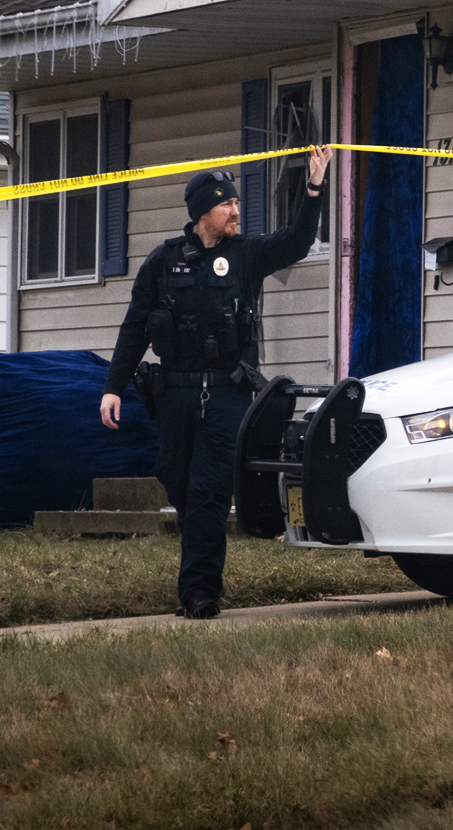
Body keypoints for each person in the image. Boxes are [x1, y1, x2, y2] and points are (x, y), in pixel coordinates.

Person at [101, 146, 331, 619]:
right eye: (226, 204)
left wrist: (312, 188)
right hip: (175, 395)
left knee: (208, 491)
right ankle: (197, 572)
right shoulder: (163, 263)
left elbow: (296, 243)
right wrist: (112, 386)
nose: (235, 211)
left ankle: (200, 593)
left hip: (226, 394)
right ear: (202, 210)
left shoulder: (246, 255)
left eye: (234, 204)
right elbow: (135, 326)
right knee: (180, 485)